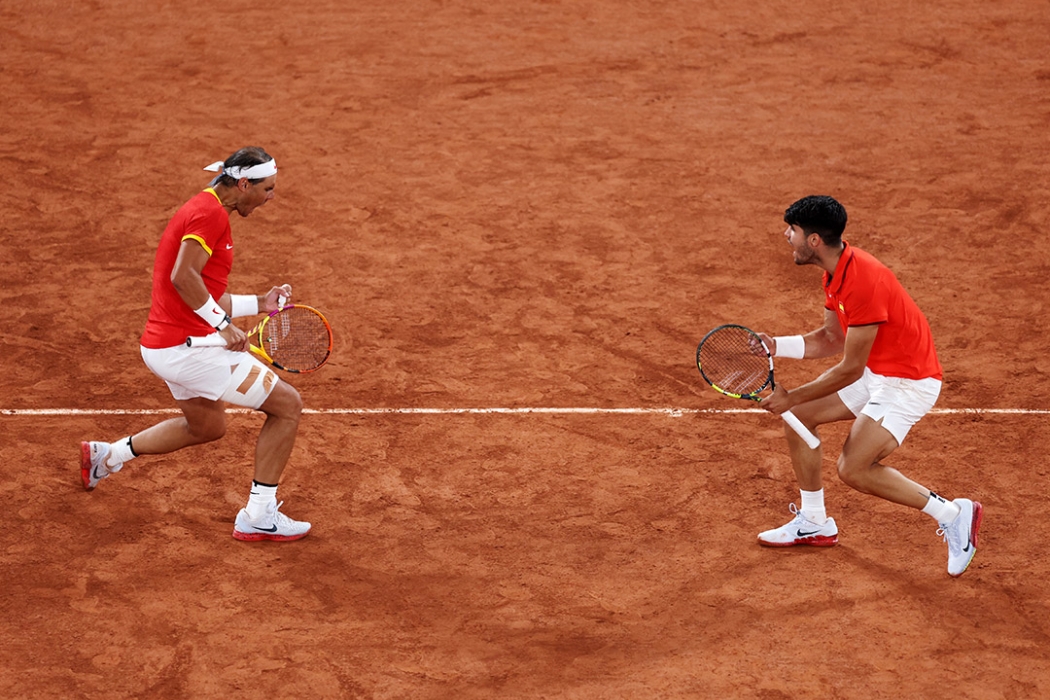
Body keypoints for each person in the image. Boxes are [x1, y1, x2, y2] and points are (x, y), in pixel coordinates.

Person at [80, 146, 311, 542]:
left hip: (167, 346)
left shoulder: (208, 208)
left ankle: (108, 455)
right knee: (288, 406)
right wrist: (222, 326)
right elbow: (182, 277)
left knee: (206, 426)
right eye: (267, 189)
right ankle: (258, 515)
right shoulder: (210, 214)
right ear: (244, 184)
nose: (271, 197)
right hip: (187, 349)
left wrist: (260, 303)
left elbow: (203, 291)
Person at [755, 195, 981, 577]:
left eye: (792, 230)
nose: (786, 236)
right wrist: (776, 346)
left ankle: (953, 514)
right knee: (799, 417)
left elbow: (849, 368)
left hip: (909, 382)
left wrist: (790, 396)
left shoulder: (863, 281)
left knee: (854, 468)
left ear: (813, 240)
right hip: (878, 373)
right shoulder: (835, 273)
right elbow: (832, 338)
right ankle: (814, 522)